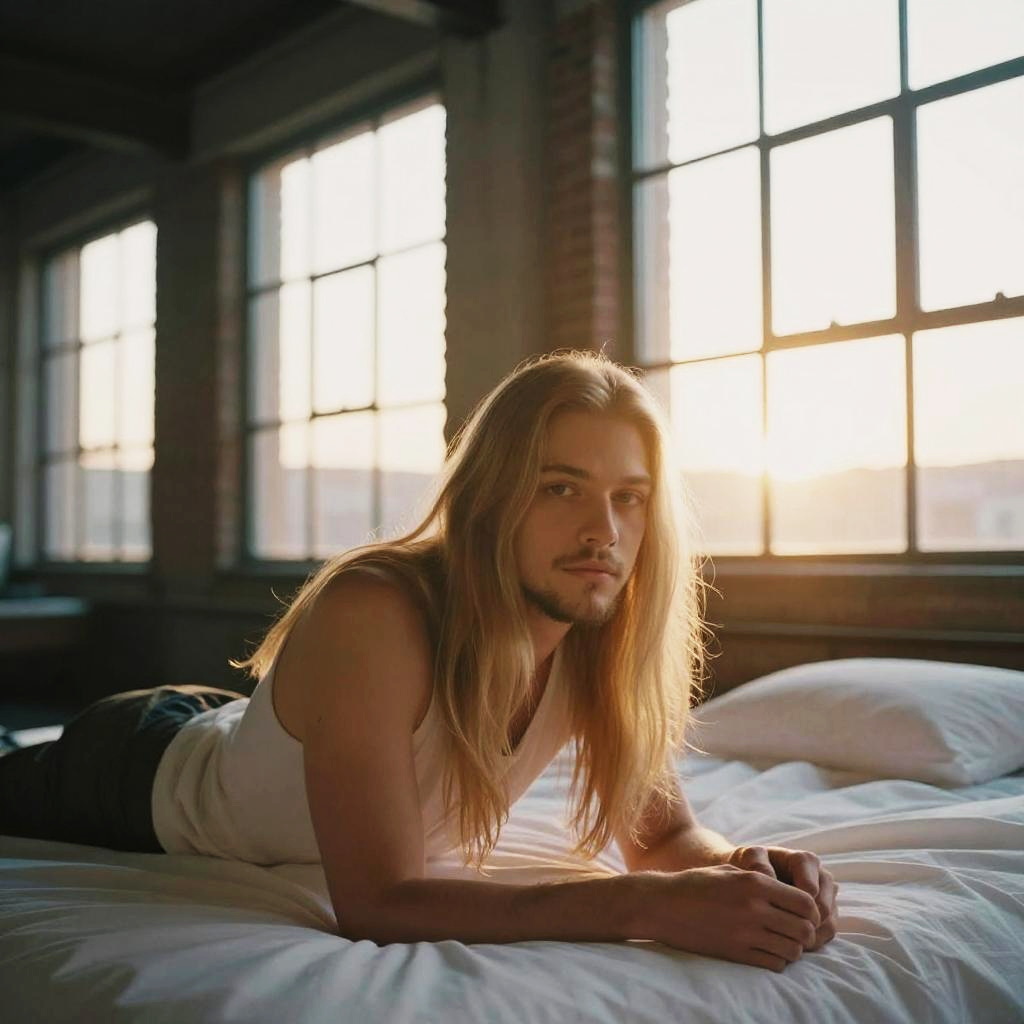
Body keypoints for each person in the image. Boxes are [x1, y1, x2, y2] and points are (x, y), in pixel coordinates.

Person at [0, 350, 837, 970]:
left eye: (629, 499)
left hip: (248, 733)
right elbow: (378, 904)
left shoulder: (598, 635)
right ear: (491, 497)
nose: (603, 532)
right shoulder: (379, 608)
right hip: (134, 767)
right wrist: (641, 906)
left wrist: (746, 870)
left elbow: (667, 837)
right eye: (560, 488)